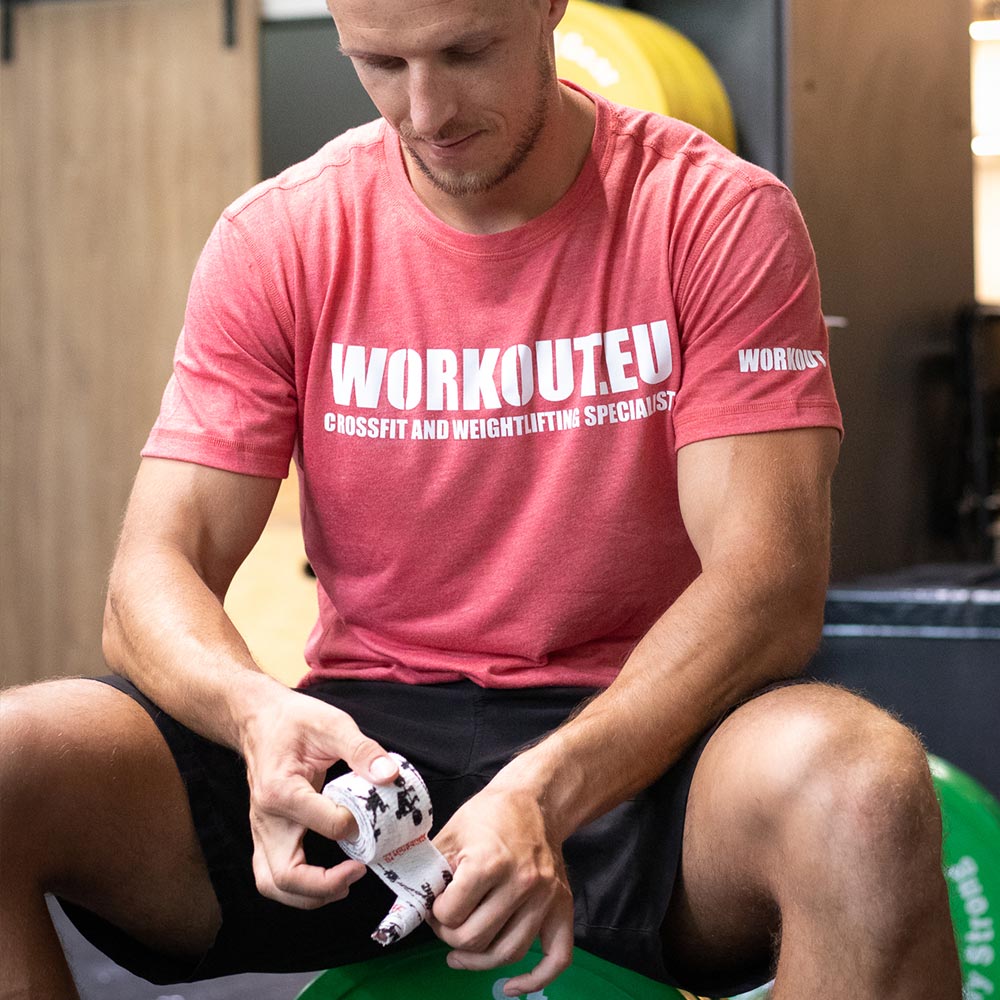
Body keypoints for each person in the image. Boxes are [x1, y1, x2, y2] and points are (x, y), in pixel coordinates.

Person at [0, 1, 961, 997]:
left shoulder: (712, 215)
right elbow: (150, 575)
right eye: (380, 63)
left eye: (465, 52)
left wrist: (546, 787)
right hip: (370, 744)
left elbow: (768, 582)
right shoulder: (280, 237)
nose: (425, 111)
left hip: (645, 740)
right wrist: (253, 713)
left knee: (864, 791)